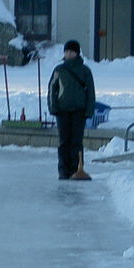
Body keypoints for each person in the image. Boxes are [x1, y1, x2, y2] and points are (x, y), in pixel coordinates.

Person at [47, 40, 95, 180]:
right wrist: (53, 107)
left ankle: (77, 169)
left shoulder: (85, 71)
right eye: (66, 51)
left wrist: (89, 110)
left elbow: (90, 92)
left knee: (76, 142)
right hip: (62, 111)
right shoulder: (59, 70)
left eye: (71, 51)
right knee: (64, 142)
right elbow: (52, 90)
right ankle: (63, 171)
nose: (68, 53)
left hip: (79, 111)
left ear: (77, 53)